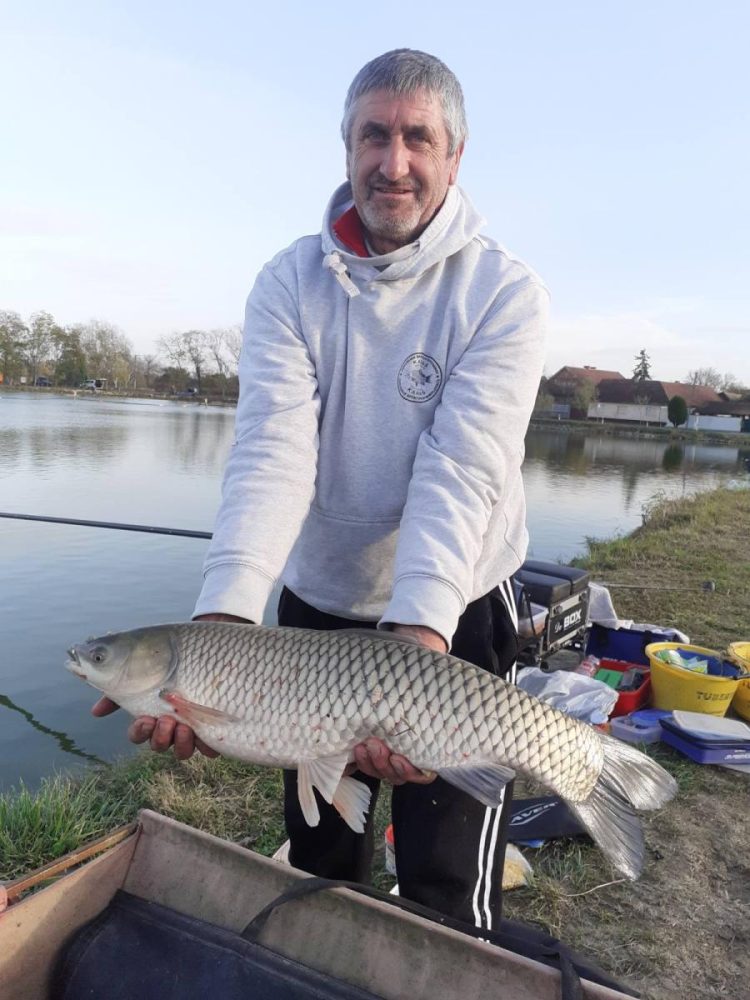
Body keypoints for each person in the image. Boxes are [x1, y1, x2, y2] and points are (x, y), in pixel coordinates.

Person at [93, 48, 547, 930]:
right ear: (346, 148)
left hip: (457, 601)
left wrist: (419, 633)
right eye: (373, 135)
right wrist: (222, 624)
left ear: (455, 157)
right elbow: (272, 452)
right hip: (320, 604)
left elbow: (461, 469)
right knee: (320, 857)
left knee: (445, 877)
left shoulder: (505, 293)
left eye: (418, 138)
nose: (394, 161)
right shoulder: (288, 283)